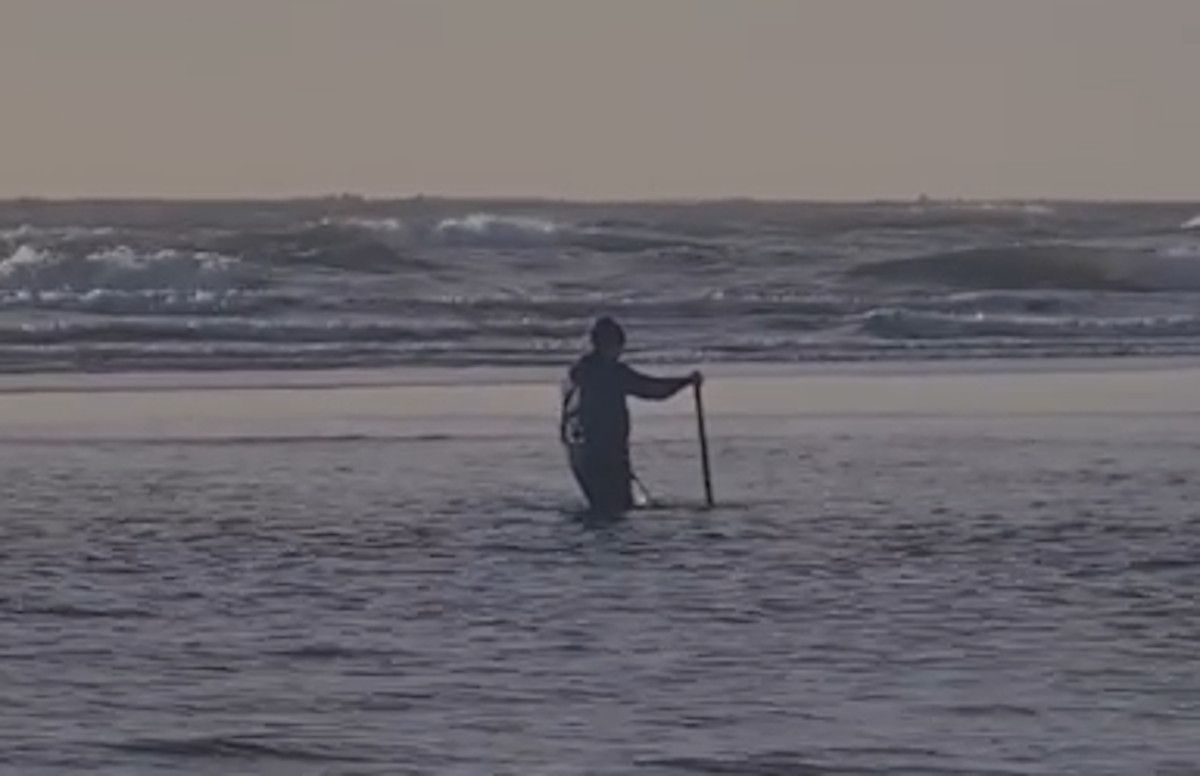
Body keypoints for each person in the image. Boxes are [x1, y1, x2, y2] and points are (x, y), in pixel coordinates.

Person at [561, 316, 701, 513]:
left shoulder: (575, 374)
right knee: (616, 510)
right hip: (606, 454)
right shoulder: (611, 373)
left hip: (580, 455)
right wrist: (685, 381)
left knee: (600, 509)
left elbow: (567, 416)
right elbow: (652, 389)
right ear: (609, 345)